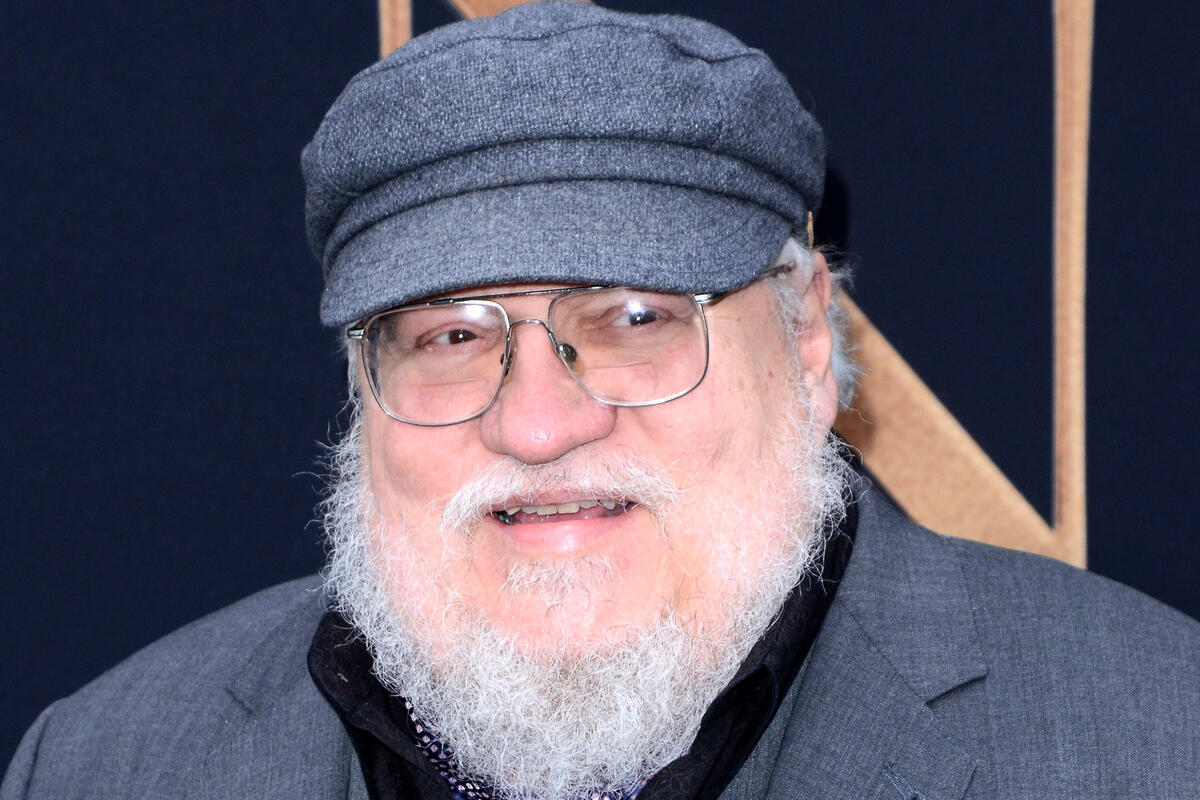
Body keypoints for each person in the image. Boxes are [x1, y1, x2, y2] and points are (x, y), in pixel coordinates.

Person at [4, 3, 1197, 799]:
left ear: (805, 344)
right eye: (452, 336)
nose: (536, 425)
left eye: (633, 319)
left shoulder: (1151, 740)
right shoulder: (106, 765)